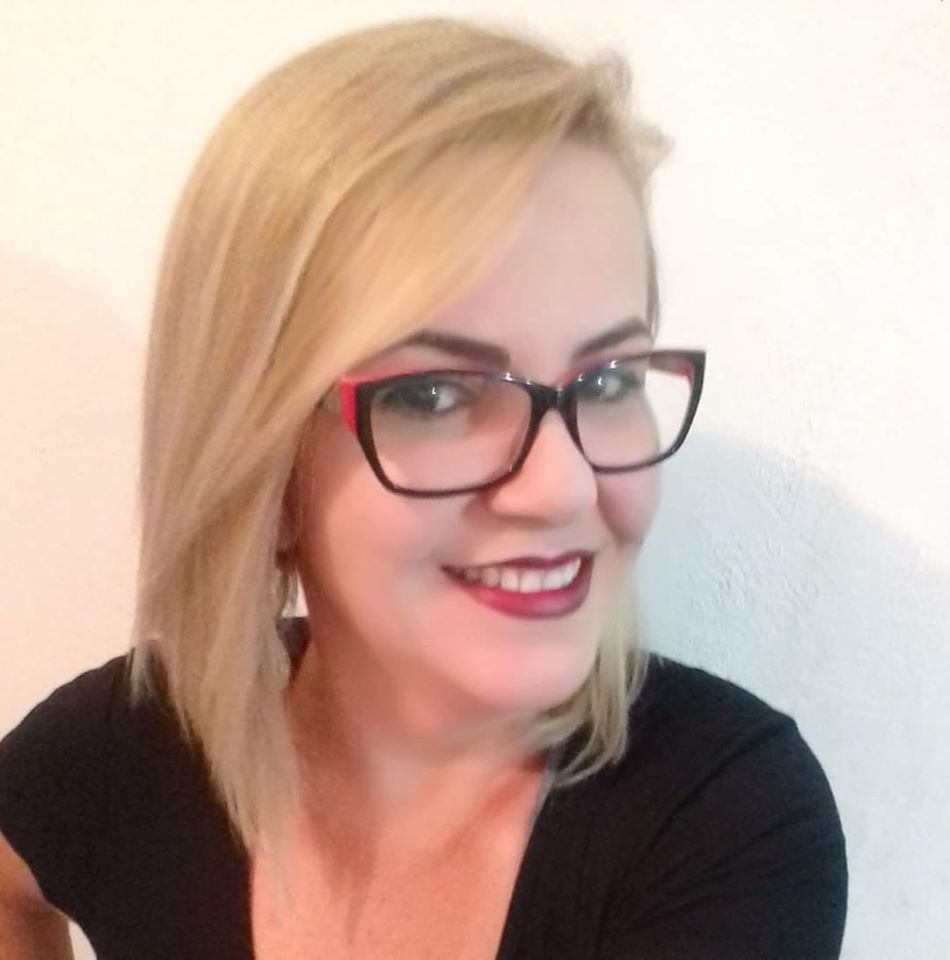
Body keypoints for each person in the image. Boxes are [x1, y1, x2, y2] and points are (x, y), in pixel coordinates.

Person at [0, 15, 847, 959]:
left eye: (609, 380)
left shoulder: (721, 821)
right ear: (259, 463)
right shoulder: (135, 746)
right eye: (434, 395)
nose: (563, 489)